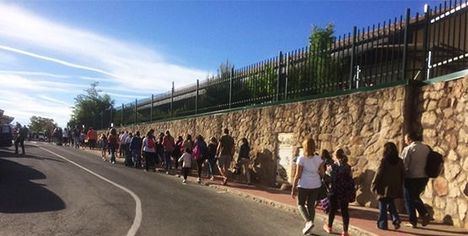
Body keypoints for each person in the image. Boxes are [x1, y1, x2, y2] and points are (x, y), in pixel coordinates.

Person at [291, 137, 325, 235]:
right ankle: (310, 226)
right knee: (311, 206)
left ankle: (308, 222)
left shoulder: (301, 159)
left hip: (304, 185)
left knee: (300, 204)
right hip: (316, 185)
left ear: (304, 147)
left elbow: (298, 175)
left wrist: (293, 188)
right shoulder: (319, 159)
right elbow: (322, 174)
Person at [400, 131, 431, 228]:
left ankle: (413, 221)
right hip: (424, 177)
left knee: (409, 199)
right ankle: (424, 214)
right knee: (415, 197)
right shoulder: (426, 148)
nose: (405, 142)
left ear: (409, 139)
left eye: (405, 140)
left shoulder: (408, 149)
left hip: (411, 177)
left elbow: (404, 164)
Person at [371, 142, 404, 230]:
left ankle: (383, 224)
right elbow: (402, 173)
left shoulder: (384, 160)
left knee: (382, 204)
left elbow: (379, 173)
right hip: (395, 186)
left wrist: (374, 184)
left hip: (384, 186)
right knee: (390, 202)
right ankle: (396, 219)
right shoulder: (400, 161)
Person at [323, 149, 354, 236]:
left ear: (336, 156)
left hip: (334, 192)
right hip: (344, 192)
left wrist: (329, 188)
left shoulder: (331, 167)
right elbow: (351, 179)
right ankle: (345, 231)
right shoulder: (348, 167)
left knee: (332, 210)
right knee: (345, 211)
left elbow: (325, 179)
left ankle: (329, 227)